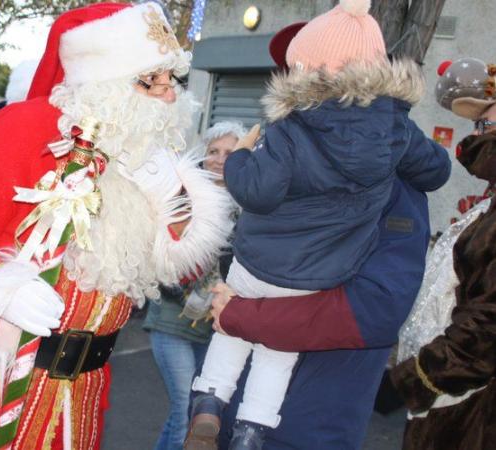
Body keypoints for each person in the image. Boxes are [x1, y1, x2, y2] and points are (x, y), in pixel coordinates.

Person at [0, 3, 232, 450]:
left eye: (171, 80)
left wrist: (177, 206)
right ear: (104, 83)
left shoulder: (150, 156)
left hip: (81, 398)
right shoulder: (23, 130)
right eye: (150, 81)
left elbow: (172, 273)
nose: (168, 96)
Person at [186, 1, 451, 448]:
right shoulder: (294, 158)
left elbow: (375, 309)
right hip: (234, 414)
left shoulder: (391, 179)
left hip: (308, 424)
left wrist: (239, 313)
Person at [390, 57, 496, 450]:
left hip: (470, 413)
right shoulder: (488, 207)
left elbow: (486, 330)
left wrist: (411, 380)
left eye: (486, 124)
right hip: (448, 407)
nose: (477, 135)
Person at [144, 121, 245, 450]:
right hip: (172, 322)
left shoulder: (248, 206)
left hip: (216, 330)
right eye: (213, 151)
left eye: (230, 153)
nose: (218, 159)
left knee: (188, 413)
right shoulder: (182, 200)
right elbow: (161, 263)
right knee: (187, 410)